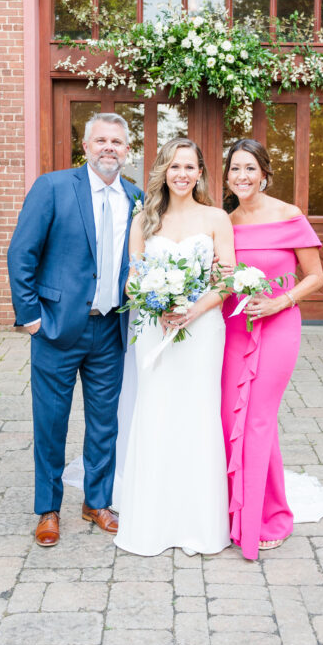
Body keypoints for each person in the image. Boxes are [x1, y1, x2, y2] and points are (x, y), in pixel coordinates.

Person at [7, 113, 145, 547]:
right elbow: (21, 254)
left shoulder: (137, 198)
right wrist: (31, 317)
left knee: (105, 423)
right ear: (84, 147)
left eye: (117, 142)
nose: (109, 148)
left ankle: (97, 501)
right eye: (100, 140)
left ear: (127, 150)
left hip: (110, 329)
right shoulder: (52, 187)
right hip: (56, 329)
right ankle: (48, 510)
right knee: (51, 422)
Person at [114, 138, 235, 556]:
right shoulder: (144, 219)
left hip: (202, 330)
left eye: (189, 167)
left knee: (197, 413)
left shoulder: (218, 218)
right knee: (157, 410)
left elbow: (226, 279)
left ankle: (199, 523)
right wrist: (155, 300)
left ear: (200, 172)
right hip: (154, 327)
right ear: (163, 171)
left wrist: (193, 311)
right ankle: (153, 520)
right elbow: (133, 276)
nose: (181, 174)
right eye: (173, 166)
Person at [221, 138, 323, 560]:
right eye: (234, 169)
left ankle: (272, 516)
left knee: (260, 419)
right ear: (226, 176)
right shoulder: (224, 222)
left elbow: (315, 276)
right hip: (235, 328)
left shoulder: (289, 215)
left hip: (279, 325)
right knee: (231, 418)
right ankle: (237, 511)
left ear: (264, 173)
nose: (242, 176)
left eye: (250, 168)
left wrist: (280, 301)